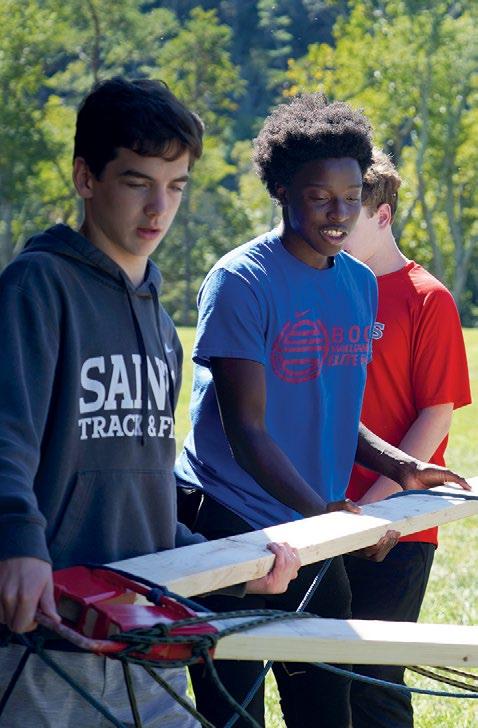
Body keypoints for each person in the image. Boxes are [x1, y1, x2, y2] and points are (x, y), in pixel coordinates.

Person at [0, 77, 300, 728]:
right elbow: (5, 441)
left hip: (145, 629)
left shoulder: (163, 328)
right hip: (46, 636)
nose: (158, 208)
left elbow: (146, 500)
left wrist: (232, 566)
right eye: (137, 182)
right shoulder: (36, 287)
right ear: (85, 177)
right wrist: (16, 543)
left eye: (176, 186)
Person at [175, 93, 470, 728]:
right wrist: (327, 512)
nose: (339, 214)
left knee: (327, 709)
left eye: (351, 197)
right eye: (320, 198)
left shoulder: (358, 284)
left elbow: (331, 407)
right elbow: (246, 429)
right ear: (282, 190)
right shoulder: (241, 280)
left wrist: (400, 465)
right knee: (235, 713)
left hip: (313, 526)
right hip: (230, 523)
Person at [343, 149, 472, 728]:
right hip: (320, 514)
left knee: (374, 682)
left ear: (383, 215)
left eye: (350, 215)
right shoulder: (329, 291)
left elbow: (436, 417)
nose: (334, 228)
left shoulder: (427, 297)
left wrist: (373, 510)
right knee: (318, 675)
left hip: (398, 523)